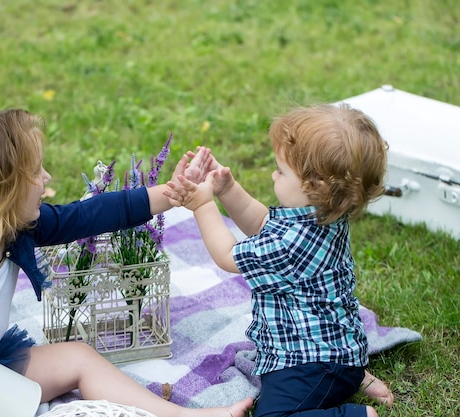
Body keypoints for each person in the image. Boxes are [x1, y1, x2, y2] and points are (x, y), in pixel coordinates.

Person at [0, 109, 253, 417]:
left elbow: (99, 212)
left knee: (77, 355)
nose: (48, 178)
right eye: (36, 173)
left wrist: (174, 191)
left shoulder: (22, 227)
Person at [166, 104, 393, 417]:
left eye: (281, 171)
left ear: (315, 188)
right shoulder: (323, 216)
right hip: (340, 350)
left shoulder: (289, 244)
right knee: (334, 370)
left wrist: (203, 204)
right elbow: (261, 221)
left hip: (309, 364)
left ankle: (352, 413)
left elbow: (227, 256)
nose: (273, 173)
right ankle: (354, 376)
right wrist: (226, 188)